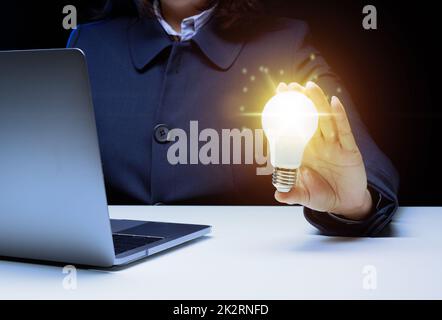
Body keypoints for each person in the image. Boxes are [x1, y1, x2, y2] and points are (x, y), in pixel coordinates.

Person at [67, 0, 399, 236]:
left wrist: (355, 203)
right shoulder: (88, 45)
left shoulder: (285, 46)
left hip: (241, 276)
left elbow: (364, 167)